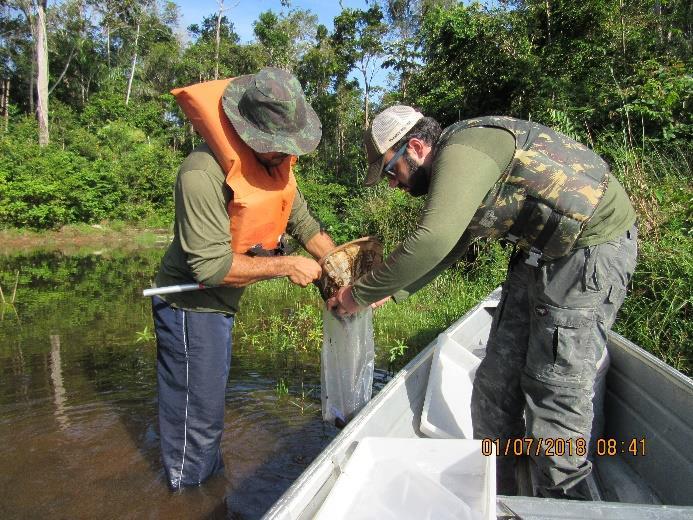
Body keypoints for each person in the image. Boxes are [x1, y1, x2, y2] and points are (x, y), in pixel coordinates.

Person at [327, 105, 637, 499]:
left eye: (391, 171)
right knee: (493, 389)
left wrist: (357, 294)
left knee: (554, 401)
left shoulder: (463, 149)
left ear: (417, 147)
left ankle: (566, 505)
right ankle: (503, 500)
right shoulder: (456, 166)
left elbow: (434, 238)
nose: (393, 185)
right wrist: (392, 289)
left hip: (589, 251)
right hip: (538, 255)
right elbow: (455, 243)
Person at [152, 67, 335, 490]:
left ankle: (200, 480)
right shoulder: (201, 173)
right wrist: (286, 265)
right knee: (195, 426)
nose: (289, 156)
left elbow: (305, 226)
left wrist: (340, 268)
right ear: (251, 135)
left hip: (217, 310)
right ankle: (187, 499)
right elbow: (211, 267)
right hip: (189, 308)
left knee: (205, 414)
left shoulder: (275, 168)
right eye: (280, 147)